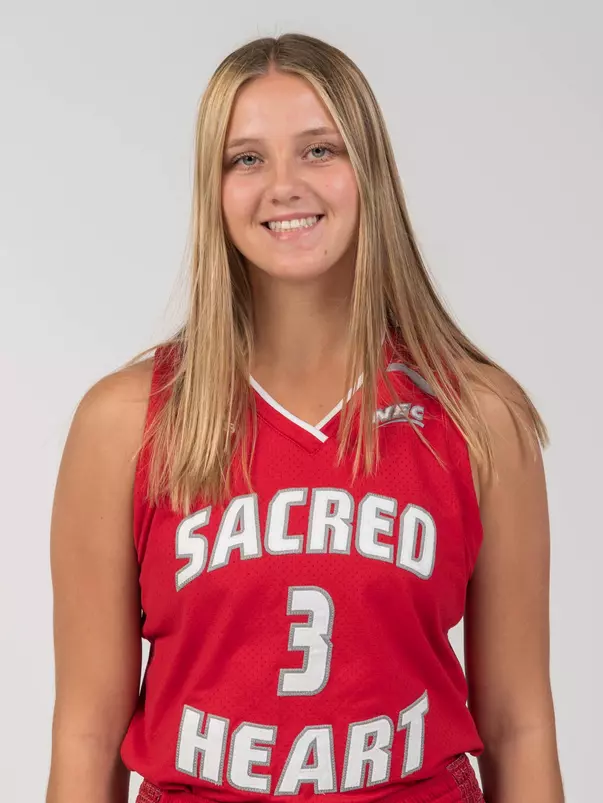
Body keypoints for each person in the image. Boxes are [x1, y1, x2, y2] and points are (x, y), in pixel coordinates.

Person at [45, 32, 565, 803]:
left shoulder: (477, 415)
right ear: (213, 189)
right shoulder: (124, 421)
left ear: (369, 171)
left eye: (319, 150)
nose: (283, 184)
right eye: (246, 158)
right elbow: (88, 728)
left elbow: (517, 719)